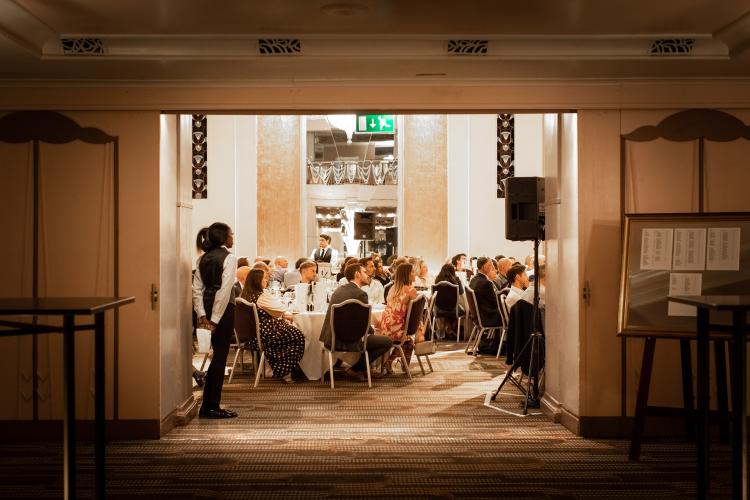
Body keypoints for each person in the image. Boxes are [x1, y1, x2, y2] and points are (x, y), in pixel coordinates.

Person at [192, 223, 238, 419]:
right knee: (220, 357)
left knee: (216, 357)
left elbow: (197, 290)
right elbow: (225, 290)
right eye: (231, 234)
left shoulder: (201, 259)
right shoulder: (229, 257)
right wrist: (216, 319)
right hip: (223, 310)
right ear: (223, 238)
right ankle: (211, 406)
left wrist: (202, 315)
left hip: (207, 309)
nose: (233, 237)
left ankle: (208, 405)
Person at [319, 262, 393, 381]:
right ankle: (356, 368)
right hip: (348, 340)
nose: (367, 275)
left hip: (331, 339)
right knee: (387, 341)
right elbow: (362, 324)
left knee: (370, 337)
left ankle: (359, 369)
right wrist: (373, 330)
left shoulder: (338, 291)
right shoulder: (361, 294)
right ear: (357, 274)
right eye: (364, 272)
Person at [240, 269, 305, 383]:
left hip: (251, 336)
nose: (267, 280)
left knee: (291, 329)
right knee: (298, 335)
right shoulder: (262, 296)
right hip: (265, 335)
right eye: (264, 278)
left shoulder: (245, 295)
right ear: (257, 281)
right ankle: (285, 370)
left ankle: (283, 368)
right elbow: (281, 308)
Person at [380, 263, 422, 372]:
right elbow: (415, 314)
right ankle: (392, 362)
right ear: (406, 275)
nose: (415, 274)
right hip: (396, 329)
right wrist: (421, 330)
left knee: (408, 335)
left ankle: (397, 364)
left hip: (385, 326)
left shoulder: (392, 288)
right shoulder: (411, 291)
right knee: (409, 338)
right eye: (412, 272)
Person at [469, 257, 502, 328]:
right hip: (488, 317)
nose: (494, 267)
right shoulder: (485, 283)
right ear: (484, 267)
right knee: (513, 314)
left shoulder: (474, 279)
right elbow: (497, 302)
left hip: (480, 315)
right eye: (491, 265)